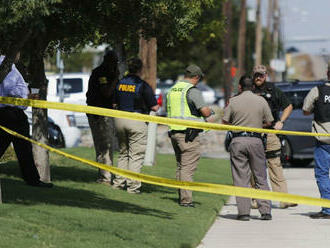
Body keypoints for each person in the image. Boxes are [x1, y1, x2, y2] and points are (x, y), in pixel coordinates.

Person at [223, 75, 273, 221]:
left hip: (238, 140)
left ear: (239, 87)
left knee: (241, 178)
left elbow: (225, 121)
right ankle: (265, 211)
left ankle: (244, 213)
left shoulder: (233, 101)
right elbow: (269, 121)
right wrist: (257, 125)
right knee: (260, 177)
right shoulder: (261, 100)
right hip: (256, 140)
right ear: (252, 86)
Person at [0, 54, 52, 188]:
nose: (19, 54)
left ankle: (33, 180)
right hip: (10, 113)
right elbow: (9, 89)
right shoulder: (6, 65)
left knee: (24, 149)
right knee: (23, 148)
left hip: (10, 113)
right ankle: (33, 180)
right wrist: (26, 95)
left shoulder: (9, 65)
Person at [167, 64, 215, 207]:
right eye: (199, 79)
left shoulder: (173, 89)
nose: (198, 82)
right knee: (187, 169)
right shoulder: (192, 91)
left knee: (181, 167)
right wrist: (211, 112)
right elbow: (205, 112)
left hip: (174, 133)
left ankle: (181, 196)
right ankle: (186, 200)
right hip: (188, 135)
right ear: (196, 77)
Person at [252, 65, 297, 209]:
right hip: (253, 133)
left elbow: (288, 106)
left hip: (270, 134)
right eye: (256, 75)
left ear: (266, 76)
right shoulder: (249, 90)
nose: (258, 78)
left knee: (275, 165)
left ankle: (283, 199)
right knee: (254, 167)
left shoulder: (274, 90)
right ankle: (255, 199)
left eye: (261, 75)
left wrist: (281, 122)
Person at [112, 58, 159, 194]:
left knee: (123, 153)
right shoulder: (142, 85)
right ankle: (133, 187)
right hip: (137, 120)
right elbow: (155, 107)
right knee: (135, 155)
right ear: (140, 69)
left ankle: (118, 182)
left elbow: (114, 104)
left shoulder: (120, 83)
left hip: (120, 119)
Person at [86, 50, 119, 185]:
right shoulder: (102, 73)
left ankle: (103, 175)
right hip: (100, 114)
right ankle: (105, 177)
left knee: (101, 146)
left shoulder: (101, 72)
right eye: (115, 62)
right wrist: (116, 79)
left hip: (98, 112)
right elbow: (106, 92)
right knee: (105, 146)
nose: (116, 65)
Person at [302, 65, 330, 219]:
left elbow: (306, 110)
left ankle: (328, 209)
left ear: (327, 73)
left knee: (323, 175)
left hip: (324, 141)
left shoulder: (317, 90)